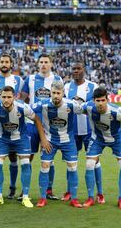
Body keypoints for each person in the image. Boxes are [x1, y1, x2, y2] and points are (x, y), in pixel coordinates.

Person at [0, 86, 51, 208]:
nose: (6, 100)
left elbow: (37, 120)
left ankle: (25, 197)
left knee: (26, 163)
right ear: (0, 97)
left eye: (9, 97)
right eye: (4, 97)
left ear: (14, 97)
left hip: (21, 138)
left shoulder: (22, 107)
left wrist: (43, 139)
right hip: (3, 139)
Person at [82, 87, 121, 209]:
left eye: (103, 100)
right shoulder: (88, 107)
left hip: (116, 139)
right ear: (94, 100)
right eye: (98, 100)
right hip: (98, 138)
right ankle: (91, 197)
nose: (100, 103)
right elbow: (75, 109)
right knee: (89, 164)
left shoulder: (116, 111)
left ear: (107, 99)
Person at [31, 80, 83, 208]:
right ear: (50, 93)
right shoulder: (43, 104)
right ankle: (43, 198)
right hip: (49, 140)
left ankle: (74, 198)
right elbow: (28, 109)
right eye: (53, 93)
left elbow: (86, 110)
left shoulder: (71, 104)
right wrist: (42, 138)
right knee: (44, 165)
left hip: (68, 140)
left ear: (63, 93)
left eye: (58, 93)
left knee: (72, 167)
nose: (55, 96)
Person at [20, 53, 62, 200]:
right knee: (28, 157)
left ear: (51, 64)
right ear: (38, 64)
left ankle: (49, 190)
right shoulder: (30, 79)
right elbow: (22, 99)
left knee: (49, 159)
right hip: (31, 124)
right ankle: (24, 191)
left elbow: (62, 99)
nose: (43, 64)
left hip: (50, 127)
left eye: (46, 62)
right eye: (41, 62)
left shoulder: (57, 79)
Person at [64, 61, 104, 203]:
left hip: (90, 131)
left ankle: (100, 193)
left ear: (84, 70)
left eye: (78, 68)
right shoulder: (66, 87)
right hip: (71, 131)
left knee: (94, 161)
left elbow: (100, 107)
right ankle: (69, 191)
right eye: (73, 68)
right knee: (70, 162)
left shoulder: (93, 86)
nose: (75, 71)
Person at [0, 53, 24, 199]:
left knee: (13, 156)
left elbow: (21, 98)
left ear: (11, 64)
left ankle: (12, 188)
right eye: (2, 61)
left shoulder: (19, 80)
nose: (4, 64)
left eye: (7, 62)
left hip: (13, 122)